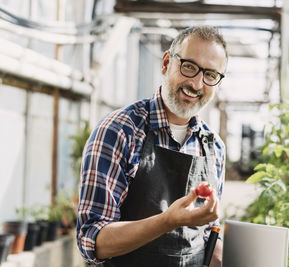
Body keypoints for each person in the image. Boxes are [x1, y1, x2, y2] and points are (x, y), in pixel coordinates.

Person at [76, 25, 227, 267]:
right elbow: (93, 242)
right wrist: (167, 221)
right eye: (189, 67)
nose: (197, 84)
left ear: (218, 83)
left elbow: (209, 232)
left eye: (210, 75)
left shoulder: (213, 146)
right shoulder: (120, 131)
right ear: (167, 63)